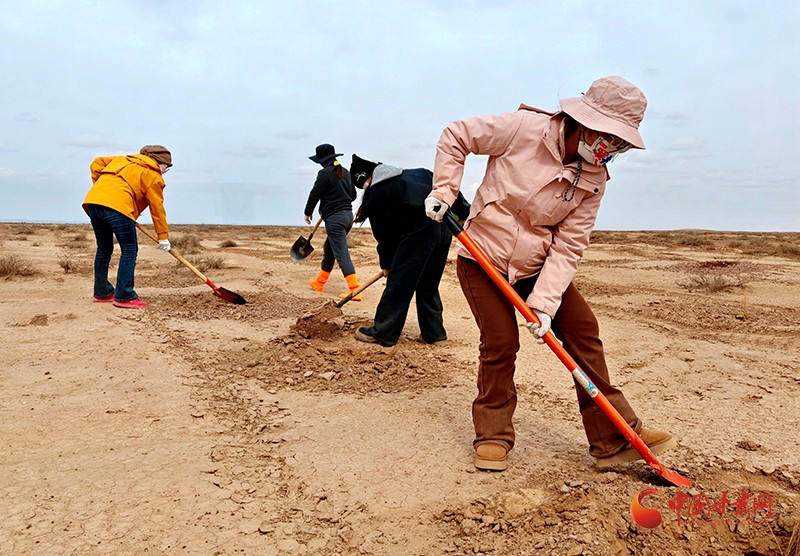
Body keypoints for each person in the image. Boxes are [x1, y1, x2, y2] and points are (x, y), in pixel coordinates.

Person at [424, 76, 676, 472]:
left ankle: (613, 437)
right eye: (608, 135)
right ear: (583, 121)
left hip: (536, 265)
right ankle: (492, 435)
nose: (611, 148)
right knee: (501, 342)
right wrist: (444, 190)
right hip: (482, 257)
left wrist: (543, 304)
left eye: (621, 143)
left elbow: (569, 245)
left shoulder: (594, 179)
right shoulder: (523, 129)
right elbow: (457, 135)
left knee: (582, 329)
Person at [349, 154, 470, 347]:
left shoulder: (377, 191)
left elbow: (384, 236)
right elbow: (448, 191)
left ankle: (383, 332)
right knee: (428, 284)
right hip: (444, 229)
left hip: (419, 234)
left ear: (366, 180)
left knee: (399, 284)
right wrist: (464, 214)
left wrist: (388, 265)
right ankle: (435, 335)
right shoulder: (421, 173)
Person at [82, 145, 173, 309]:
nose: (165, 171)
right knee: (130, 249)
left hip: (94, 203)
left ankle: (102, 292)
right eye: (166, 167)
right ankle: (124, 295)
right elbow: (157, 209)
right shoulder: (152, 175)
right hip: (118, 207)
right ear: (158, 161)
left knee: (104, 248)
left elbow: (96, 164)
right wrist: (163, 236)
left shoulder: (121, 160)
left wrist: (103, 188)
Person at [304, 144, 362, 300]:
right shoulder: (346, 173)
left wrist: (307, 212)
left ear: (322, 161)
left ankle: (355, 290)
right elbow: (353, 195)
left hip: (335, 219)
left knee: (341, 253)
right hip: (348, 216)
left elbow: (315, 194)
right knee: (329, 249)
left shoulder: (324, 173)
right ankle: (319, 283)